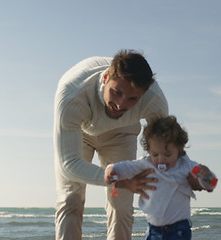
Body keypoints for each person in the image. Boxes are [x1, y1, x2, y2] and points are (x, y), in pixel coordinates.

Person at [53, 49, 169, 240]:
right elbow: (69, 165)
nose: (120, 105)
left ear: (144, 93)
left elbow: (165, 151)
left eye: (132, 99)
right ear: (106, 77)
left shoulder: (154, 100)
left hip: (121, 135)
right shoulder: (72, 94)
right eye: (116, 92)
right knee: (71, 199)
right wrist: (121, 180)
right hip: (80, 133)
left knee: (121, 206)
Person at [104, 116, 217, 240]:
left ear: (179, 149)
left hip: (178, 229)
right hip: (153, 229)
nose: (161, 159)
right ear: (149, 151)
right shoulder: (146, 164)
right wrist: (111, 169)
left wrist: (206, 175)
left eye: (167, 155)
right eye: (155, 154)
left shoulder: (186, 166)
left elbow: (210, 183)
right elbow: (126, 167)